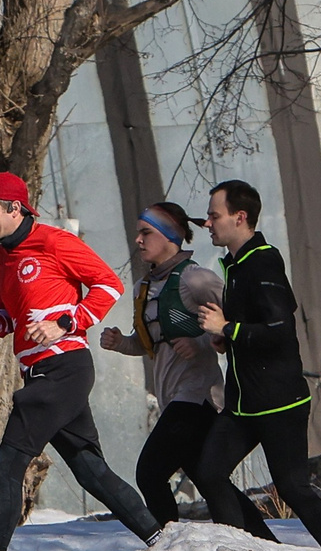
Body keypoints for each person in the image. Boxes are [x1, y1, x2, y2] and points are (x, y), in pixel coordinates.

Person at [0, 172, 159, 551]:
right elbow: (12, 317)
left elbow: (110, 285)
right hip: (39, 371)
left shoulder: (54, 241)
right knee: (92, 472)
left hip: (65, 368)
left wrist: (65, 322)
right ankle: (161, 542)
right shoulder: (4, 257)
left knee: (6, 465)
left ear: (14, 208)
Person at [193, 179, 321, 551]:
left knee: (293, 487)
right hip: (244, 401)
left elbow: (279, 331)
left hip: (279, 400)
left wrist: (227, 327)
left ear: (240, 217)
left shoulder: (262, 261)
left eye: (215, 216)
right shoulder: (234, 264)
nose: (208, 223)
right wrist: (226, 338)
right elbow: (254, 329)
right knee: (210, 472)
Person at [98, 201, 234, 528]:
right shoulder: (143, 288)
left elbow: (236, 322)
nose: (138, 241)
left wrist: (200, 340)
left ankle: (163, 544)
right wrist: (122, 344)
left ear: (170, 236)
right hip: (171, 396)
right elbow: (152, 346)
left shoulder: (195, 278)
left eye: (146, 232)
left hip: (198, 395)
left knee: (150, 472)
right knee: (209, 479)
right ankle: (258, 539)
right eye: (137, 234)